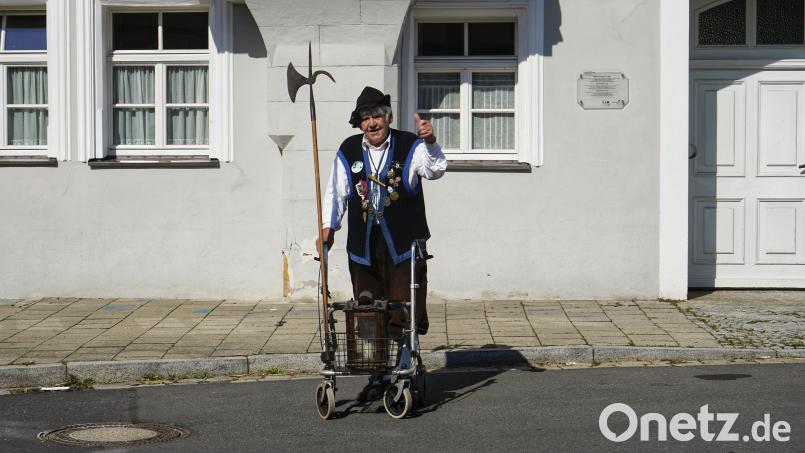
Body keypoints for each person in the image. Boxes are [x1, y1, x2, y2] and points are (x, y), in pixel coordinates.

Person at [320, 86, 447, 336]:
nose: (371, 123)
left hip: (403, 244)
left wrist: (430, 141)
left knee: (402, 309)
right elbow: (336, 193)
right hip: (363, 246)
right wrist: (328, 228)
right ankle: (375, 366)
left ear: (388, 117)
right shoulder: (348, 149)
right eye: (365, 118)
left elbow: (436, 170)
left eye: (376, 116)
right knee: (367, 309)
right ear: (359, 124)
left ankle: (402, 358)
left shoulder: (410, 144)